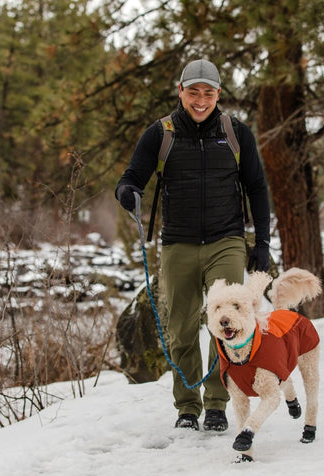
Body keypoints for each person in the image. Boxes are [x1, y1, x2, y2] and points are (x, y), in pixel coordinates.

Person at [115, 59, 271, 431]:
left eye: (209, 93)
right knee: (181, 327)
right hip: (178, 244)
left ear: (218, 95)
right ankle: (187, 408)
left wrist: (261, 242)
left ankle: (217, 404)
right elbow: (132, 176)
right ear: (181, 92)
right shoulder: (161, 133)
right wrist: (127, 191)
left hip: (227, 240)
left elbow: (257, 188)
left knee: (229, 323)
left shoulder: (236, 132)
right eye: (193, 92)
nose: (201, 101)